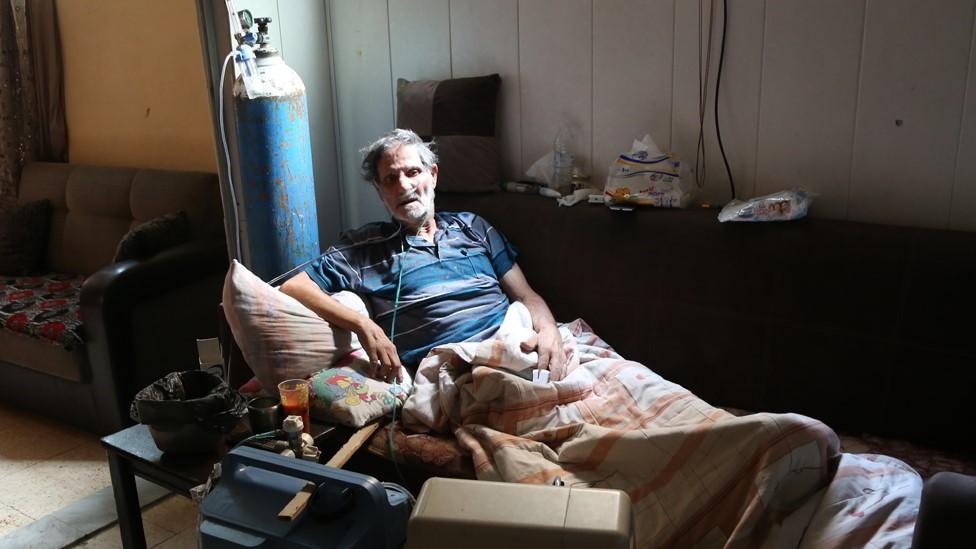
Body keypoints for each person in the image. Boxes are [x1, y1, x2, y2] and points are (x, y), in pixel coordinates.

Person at [281, 129, 565, 383]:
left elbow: (526, 297)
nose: (404, 186)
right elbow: (294, 286)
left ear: (434, 175)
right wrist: (363, 325)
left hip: (517, 343)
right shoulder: (364, 248)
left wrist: (550, 331)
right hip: (459, 372)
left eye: (413, 172)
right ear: (380, 192)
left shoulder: (473, 226)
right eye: (391, 179)